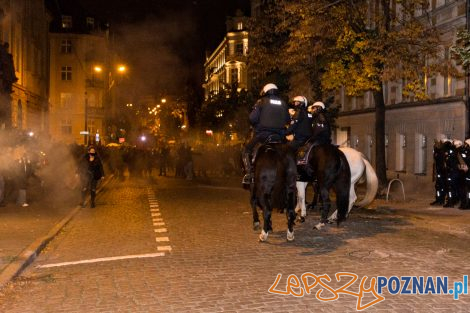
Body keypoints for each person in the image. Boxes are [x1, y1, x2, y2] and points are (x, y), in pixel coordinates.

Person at [242, 83, 290, 185]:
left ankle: (249, 173)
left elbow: (252, 118)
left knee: (246, 150)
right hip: (280, 136)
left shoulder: (261, 102)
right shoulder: (283, 103)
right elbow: (287, 120)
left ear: (266, 91)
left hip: (263, 135)